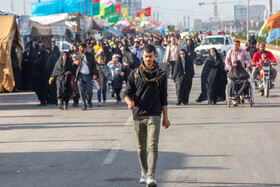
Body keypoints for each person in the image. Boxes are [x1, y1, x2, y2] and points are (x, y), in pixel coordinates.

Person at [124, 44, 170, 187]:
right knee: (140, 147)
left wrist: (166, 117)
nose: (148, 59)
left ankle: (151, 175)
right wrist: (128, 102)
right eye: (146, 56)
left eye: (150, 56)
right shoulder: (135, 74)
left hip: (154, 114)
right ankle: (144, 171)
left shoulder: (161, 74)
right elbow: (127, 93)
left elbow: (164, 97)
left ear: (154, 55)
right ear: (142, 56)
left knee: (152, 146)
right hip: (138, 114)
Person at [73, 43, 98, 110]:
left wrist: (94, 74)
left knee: (89, 91)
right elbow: (74, 65)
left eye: (81, 47)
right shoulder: (78, 56)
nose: (80, 49)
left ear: (85, 48)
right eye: (79, 48)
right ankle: (84, 105)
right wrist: (74, 63)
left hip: (88, 75)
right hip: (80, 76)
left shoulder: (90, 55)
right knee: (81, 91)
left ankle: (89, 101)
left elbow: (94, 66)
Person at [32, 41, 49, 106]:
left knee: (41, 89)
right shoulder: (39, 55)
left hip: (42, 76)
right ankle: (43, 101)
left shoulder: (43, 54)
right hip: (39, 76)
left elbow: (39, 63)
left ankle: (43, 101)